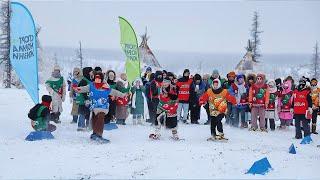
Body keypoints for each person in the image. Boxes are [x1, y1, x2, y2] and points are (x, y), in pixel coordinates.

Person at [75, 72, 126, 143]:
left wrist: (123, 95)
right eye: (96, 78)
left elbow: (114, 92)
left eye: (99, 78)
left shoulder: (106, 87)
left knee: (100, 119)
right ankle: (94, 134)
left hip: (103, 107)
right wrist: (78, 89)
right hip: (94, 107)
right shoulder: (91, 86)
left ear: (101, 79)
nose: (97, 79)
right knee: (95, 119)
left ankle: (98, 134)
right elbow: (84, 88)